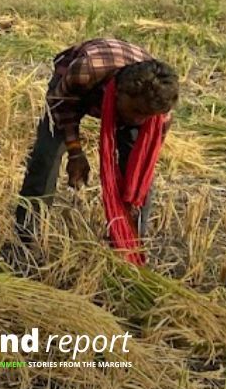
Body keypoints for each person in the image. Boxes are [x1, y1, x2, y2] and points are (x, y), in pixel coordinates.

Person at [15, 38, 179, 262]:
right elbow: (61, 105)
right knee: (46, 158)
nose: (137, 120)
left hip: (124, 90)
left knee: (138, 180)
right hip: (75, 88)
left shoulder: (157, 114)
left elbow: (142, 169)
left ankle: (129, 248)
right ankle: (26, 240)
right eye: (135, 111)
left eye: (145, 116)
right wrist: (75, 152)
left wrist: (131, 198)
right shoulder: (86, 71)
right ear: (120, 92)